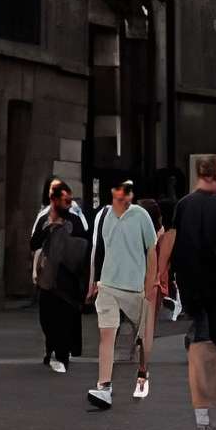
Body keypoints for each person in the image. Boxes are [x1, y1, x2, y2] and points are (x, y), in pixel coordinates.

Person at [159, 154, 216, 430]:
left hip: (192, 286)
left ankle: (207, 424)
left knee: (199, 347)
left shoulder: (183, 205)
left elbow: (174, 240)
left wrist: (166, 277)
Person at [86, 168, 159, 407]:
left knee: (142, 339)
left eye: (129, 190)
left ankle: (143, 373)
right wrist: (93, 282)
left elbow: (151, 250)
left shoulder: (141, 215)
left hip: (136, 288)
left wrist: (150, 283)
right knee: (107, 335)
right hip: (107, 285)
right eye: (122, 189)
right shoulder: (103, 215)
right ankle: (104, 387)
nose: (127, 195)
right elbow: (97, 249)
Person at [32, 180, 89, 374]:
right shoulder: (44, 217)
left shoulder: (77, 217)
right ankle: (52, 347)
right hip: (49, 276)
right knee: (47, 316)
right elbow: (34, 243)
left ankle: (62, 353)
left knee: (65, 316)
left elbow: (85, 244)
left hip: (68, 277)